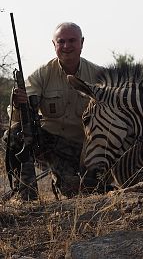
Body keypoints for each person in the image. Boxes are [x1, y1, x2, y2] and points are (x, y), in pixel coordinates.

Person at [3, 22, 101, 201]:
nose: (66, 46)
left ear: (82, 43)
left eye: (72, 40)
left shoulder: (99, 76)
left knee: (79, 192)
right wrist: (19, 104)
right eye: (61, 41)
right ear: (54, 45)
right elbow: (16, 115)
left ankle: (71, 179)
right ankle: (24, 193)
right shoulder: (42, 73)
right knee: (14, 134)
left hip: (82, 150)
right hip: (48, 142)